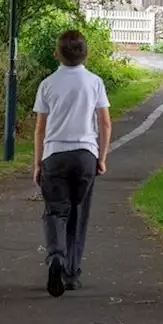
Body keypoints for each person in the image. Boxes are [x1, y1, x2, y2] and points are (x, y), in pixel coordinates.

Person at [32, 29, 112, 297]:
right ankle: (71, 273)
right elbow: (105, 121)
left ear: (58, 53)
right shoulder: (94, 82)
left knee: (55, 211)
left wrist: (37, 163)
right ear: (85, 53)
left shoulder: (47, 84)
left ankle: (56, 255)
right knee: (78, 213)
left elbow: (40, 129)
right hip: (85, 155)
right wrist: (101, 157)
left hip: (54, 154)